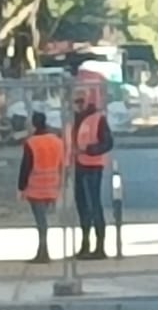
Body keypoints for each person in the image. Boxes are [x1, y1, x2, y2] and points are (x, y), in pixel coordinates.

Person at [71, 86, 114, 260]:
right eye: (75, 101)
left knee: (94, 206)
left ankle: (100, 247)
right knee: (82, 207)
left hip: (92, 167)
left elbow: (108, 142)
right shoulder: (75, 119)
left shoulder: (97, 119)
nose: (77, 105)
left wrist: (89, 150)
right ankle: (85, 244)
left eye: (80, 101)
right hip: (78, 166)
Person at [18, 111, 65, 264]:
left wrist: (21, 187)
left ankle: (43, 252)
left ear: (33, 124)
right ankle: (43, 251)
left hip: (36, 187)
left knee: (41, 222)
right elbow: (62, 163)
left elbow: (26, 166)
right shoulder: (57, 141)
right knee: (44, 220)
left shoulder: (31, 143)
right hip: (52, 186)